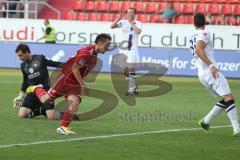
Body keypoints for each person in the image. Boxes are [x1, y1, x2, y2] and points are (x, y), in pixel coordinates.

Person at [26, 33, 112, 135]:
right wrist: (83, 84)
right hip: (65, 80)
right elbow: (74, 68)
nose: (108, 48)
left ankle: (63, 127)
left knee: (75, 102)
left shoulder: (94, 55)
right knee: (45, 99)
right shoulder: (87, 52)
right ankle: (35, 88)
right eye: (107, 45)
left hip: (74, 83)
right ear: (100, 43)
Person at [188, 13, 240, 136]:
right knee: (229, 98)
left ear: (194, 23)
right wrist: (211, 66)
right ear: (204, 23)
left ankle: (206, 121)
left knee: (227, 98)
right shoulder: (205, 33)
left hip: (201, 74)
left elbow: (196, 52)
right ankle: (237, 129)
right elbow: (199, 49)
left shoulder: (191, 37)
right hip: (210, 72)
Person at [13, 44, 64, 120]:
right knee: (22, 115)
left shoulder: (40, 58)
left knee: (52, 117)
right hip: (32, 92)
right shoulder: (23, 65)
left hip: (45, 92)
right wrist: (21, 94)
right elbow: (25, 81)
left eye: (20, 55)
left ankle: (61, 114)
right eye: (18, 56)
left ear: (27, 52)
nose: (19, 58)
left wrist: (70, 65)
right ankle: (41, 110)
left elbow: (55, 64)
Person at [110, 7, 142, 96]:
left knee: (131, 67)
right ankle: (134, 85)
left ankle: (131, 89)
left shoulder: (138, 23)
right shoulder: (123, 22)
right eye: (128, 12)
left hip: (132, 48)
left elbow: (138, 31)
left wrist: (131, 22)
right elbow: (112, 26)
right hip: (123, 49)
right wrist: (118, 18)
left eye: (132, 12)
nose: (130, 14)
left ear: (135, 14)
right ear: (127, 14)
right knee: (124, 71)